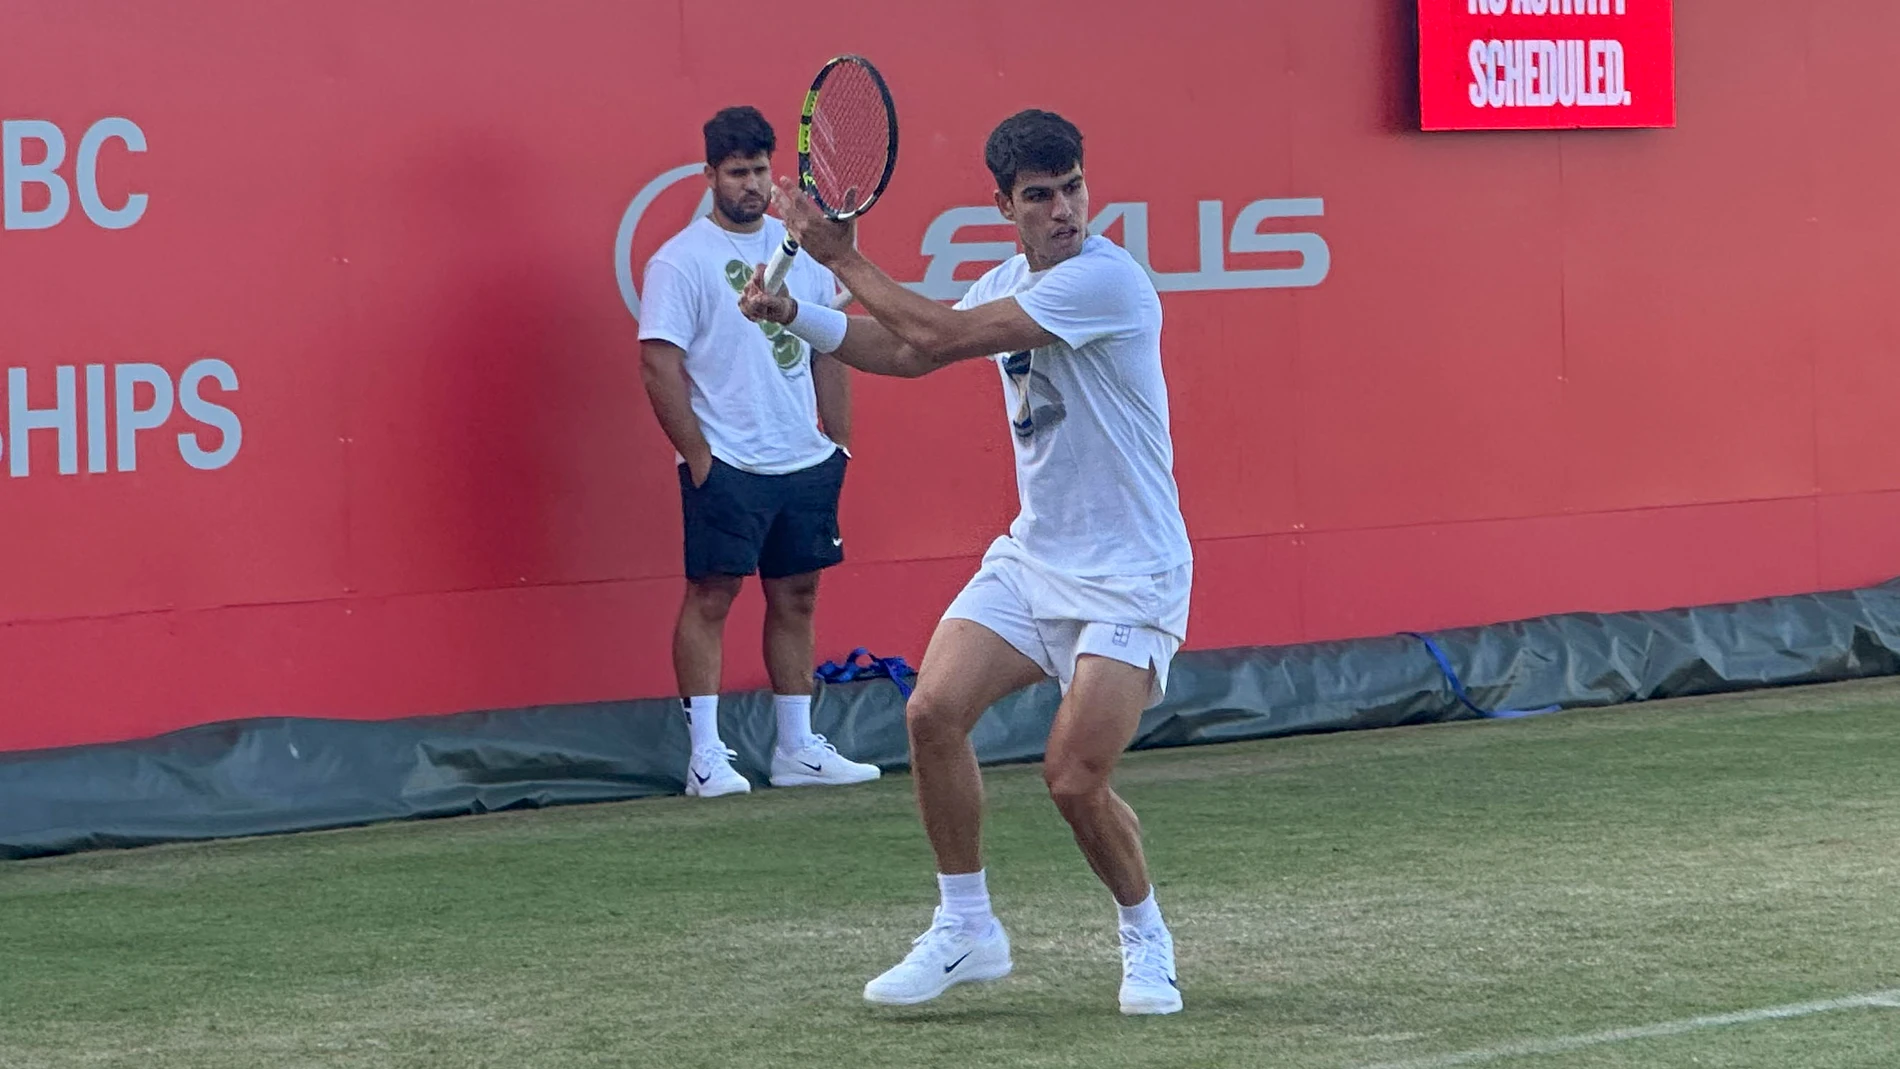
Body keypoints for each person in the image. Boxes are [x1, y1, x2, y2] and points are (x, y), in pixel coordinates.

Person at [740, 109, 1192, 1015]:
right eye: (1040, 196)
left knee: (1071, 776)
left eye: (1072, 188)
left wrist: (837, 258)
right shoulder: (1009, 281)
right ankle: (967, 926)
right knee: (933, 712)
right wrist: (800, 313)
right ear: (1005, 206)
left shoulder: (1108, 280)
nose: (1063, 209)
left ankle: (1147, 936)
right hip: (1035, 558)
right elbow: (908, 350)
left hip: (1133, 573)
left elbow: (941, 336)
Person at [637, 105, 881, 798]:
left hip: (803, 458)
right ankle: (707, 756)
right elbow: (659, 365)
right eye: (737, 172)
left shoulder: (800, 248)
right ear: (710, 173)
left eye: (759, 171)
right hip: (727, 461)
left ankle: (797, 747)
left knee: (797, 596)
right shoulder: (679, 260)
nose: (750, 184)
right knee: (712, 595)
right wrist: (700, 455)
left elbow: (831, 339)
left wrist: (837, 440)